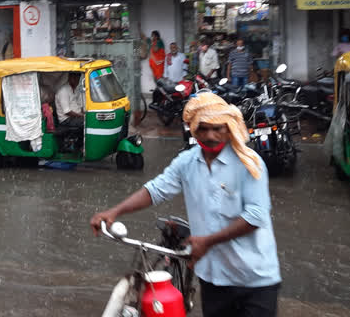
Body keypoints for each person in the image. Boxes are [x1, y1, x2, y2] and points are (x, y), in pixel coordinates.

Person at [90, 92, 281, 317]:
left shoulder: (249, 163)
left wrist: (207, 242)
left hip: (254, 280)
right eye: (203, 128)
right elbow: (155, 190)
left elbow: (255, 216)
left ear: (228, 129)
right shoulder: (187, 162)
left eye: (217, 128)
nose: (210, 135)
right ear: (193, 129)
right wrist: (114, 212)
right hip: (213, 278)